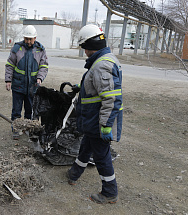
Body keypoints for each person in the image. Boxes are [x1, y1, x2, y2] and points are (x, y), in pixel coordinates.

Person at [66, 24, 123, 204]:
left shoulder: (101, 65)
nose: (85, 52)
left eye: (85, 48)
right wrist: (80, 87)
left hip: (99, 121)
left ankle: (109, 192)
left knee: (101, 156)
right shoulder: (106, 59)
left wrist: (105, 126)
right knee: (86, 146)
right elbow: (97, 87)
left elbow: (111, 98)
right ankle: (74, 173)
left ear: (91, 45)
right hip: (93, 120)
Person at [5, 25, 48, 140]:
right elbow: (10, 65)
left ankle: (28, 129)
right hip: (18, 85)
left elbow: (44, 67)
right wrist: (8, 80)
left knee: (30, 110)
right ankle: (16, 129)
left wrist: (40, 78)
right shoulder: (17, 48)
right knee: (16, 109)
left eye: (30, 39)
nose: (28, 41)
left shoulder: (40, 50)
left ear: (35, 38)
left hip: (32, 86)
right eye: (26, 39)